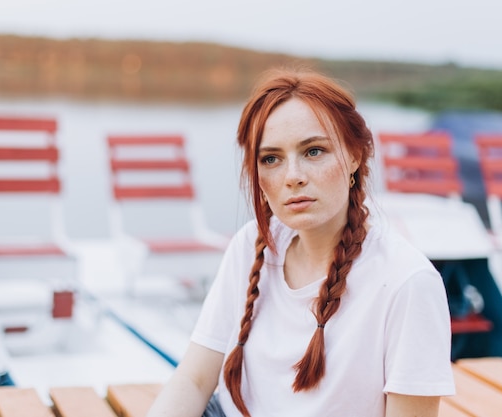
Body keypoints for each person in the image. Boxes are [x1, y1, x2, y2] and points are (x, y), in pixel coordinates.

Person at [146, 67, 455, 417]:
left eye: (313, 152)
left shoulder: (407, 282)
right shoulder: (250, 246)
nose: (292, 177)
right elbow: (195, 380)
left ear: (354, 155)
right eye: (271, 159)